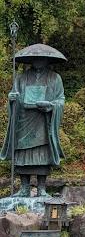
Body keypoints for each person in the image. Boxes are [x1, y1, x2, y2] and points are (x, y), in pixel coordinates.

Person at [2, 44, 66, 197]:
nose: (38, 61)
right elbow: (14, 96)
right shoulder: (21, 78)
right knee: (23, 154)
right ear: (30, 60)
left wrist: (51, 106)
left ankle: (42, 188)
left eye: (41, 59)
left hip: (43, 122)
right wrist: (11, 99)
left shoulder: (55, 78)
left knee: (42, 154)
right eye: (35, 59)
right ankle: (24, 188)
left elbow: (61, 99)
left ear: (47, 60)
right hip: (24, 120)